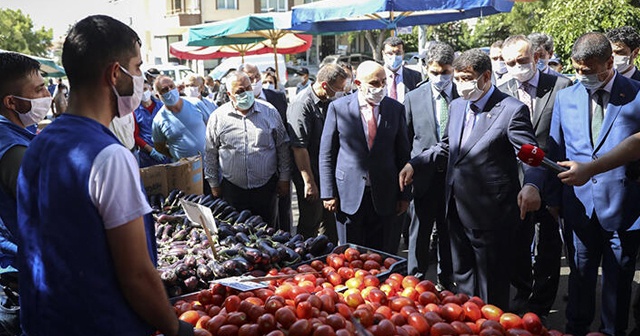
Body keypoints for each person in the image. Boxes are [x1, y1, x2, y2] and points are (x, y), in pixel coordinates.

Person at [15, 15, 193, 335]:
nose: (140, 78)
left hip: (45, 321)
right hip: (102, 323)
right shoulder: (109, 157)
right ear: (115, 73)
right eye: (137, 67)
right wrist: (177, 329)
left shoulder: (40, 144)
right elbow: (136, 274)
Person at [399, 48, 544, 310]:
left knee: (491, 286)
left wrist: (532, 185)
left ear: (486, 76)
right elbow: (446, 145)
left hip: (492, 213)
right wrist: (415, 163)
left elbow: (530, 156)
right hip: (455, 209)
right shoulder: (457, 106)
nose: (460, 85)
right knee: (463, 280)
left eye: (466, 78)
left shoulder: (511, 110)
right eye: (457, 78)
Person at [545, 32, 640, 336]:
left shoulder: (637, 94)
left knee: (618, 280)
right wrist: (553, 200)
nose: (581, 76)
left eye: (588, 70)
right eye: (576, 69)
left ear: (610, 63)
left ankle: (613, 331)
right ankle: (576, 328)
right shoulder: (566, 97)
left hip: (624, 206)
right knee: (580, 275)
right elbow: (555, 150)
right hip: (579, 206)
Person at [498, 34, 572, 317]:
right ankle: (520, 298)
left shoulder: (561, 86)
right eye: (511, 62)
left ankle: (541, 304)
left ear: (537, 58)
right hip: (516, 182)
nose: (518, 66)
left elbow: (566, 136)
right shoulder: (500, 90)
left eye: (523, 60)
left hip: (553, 180)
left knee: (549, 245)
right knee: (517, 243)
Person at [319, 61, 411, 253]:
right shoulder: (338, 108)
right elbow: (327, 153)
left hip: (384, 194)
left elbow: (403, 154)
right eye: (374, 83)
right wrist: (328, 193)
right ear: (359, 83)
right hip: (348, 195)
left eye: (384, 82)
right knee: (350, 254)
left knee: (382, 253)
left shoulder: (395, 109)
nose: (380, 88)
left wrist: (404, 195)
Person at [204, 71, 291, 227]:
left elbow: (282, 146)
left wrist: (284, 178)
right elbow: (211, 152)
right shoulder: (218, 117)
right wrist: (213, 184)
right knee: (237, 233)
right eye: (239, 91)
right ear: (229, 94)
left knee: (269, 231)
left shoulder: (269, 111)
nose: (246, 94)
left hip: (265, 187)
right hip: (233, 189)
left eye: (248, 88)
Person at [404, 42, 457, 290]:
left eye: (445, 72)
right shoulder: (413, 97)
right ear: (426, 69)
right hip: (422, 176)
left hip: (454, 177)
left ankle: (449, 281)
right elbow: (406, 137)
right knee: (420, 232)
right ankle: (416, 280)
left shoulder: (463, 95)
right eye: (435, 72)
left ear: (453, 70)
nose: (439, 77)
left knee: (451, 232)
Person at [0, 52, 52, 269]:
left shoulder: (17, 132)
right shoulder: (13, 149)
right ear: (11, 102)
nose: (47, 94)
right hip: (27, 260)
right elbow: (50, 213)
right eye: (38, 89)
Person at [287, 64, 348, 245]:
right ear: (324, 85)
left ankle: (327, 259)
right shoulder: (301, 104)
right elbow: (299, 147)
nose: (340, 92)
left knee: (330, 223)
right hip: (310, 172)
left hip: (327, 172)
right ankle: (304, 261)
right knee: (310, 222)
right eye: (337, 88)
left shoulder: (329, 102)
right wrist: (309, 182)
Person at [240, 63, 291, 231]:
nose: (254, 81)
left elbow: (285, 136)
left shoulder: (277, 97)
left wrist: (284, 173)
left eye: (257, 77)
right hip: (251, 174)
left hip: (278, 167)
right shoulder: (235, 100)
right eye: (250, 77)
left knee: (282, 213)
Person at [152, 75, 208, 162]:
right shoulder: (158, 120)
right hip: (184, 170)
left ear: (177, 88)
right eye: (164, 90)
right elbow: (159, 147)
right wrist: (176, 155)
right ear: (157, 95)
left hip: (208, 164)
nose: (169, 91)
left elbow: (212, 127)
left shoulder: (195, 103)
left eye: (171, 86)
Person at [135, 80, 168, 168]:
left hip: (164, 150)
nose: (143, 92)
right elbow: (135, 135)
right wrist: (151, 150)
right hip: (146, 154)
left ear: (150, 89)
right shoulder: (135, 111)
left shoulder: (161, 106)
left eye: (145, 89)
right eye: (139, 90)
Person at [382, 36, 422, 103]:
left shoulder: (415, 76)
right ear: (383, 54)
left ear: (403, 53)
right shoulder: (375, 76)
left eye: (398, 53)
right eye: (390, 53)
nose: (394, 57)